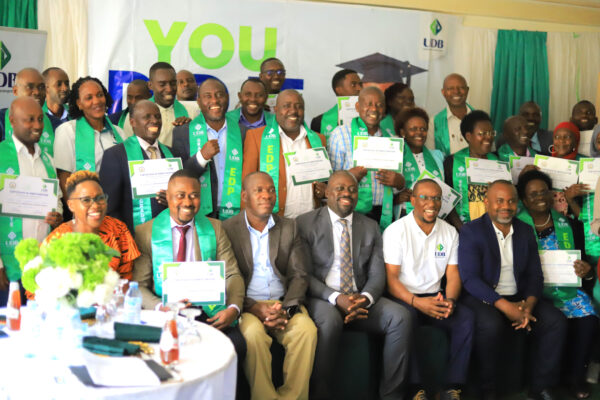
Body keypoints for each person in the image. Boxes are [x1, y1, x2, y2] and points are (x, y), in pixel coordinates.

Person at [297, 170, 411, 400]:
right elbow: (303, 274)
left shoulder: (370, 226)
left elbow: (377, 273)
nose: (347, 193)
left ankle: (392, 395)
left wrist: (365, 298)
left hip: (360, 299)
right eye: (339, 188)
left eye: (352, 189)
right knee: (330, 320)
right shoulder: (305, 223)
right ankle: (320, 394)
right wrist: (336, 298)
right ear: (327, 192)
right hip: (323, 298)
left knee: (400, 317)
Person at [458, 180, 567, 400]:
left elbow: (535, 275)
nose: (506, 206)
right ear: (487, 202)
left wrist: (529, 306)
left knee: (555, 321)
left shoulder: (525, 231)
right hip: (484, 297)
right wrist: (505, 306)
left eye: (511, 201)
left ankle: (540, 387)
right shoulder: (472, 231)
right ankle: (488, 390)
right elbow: (470, 279)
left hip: (520, 298)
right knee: (491, 325)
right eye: (499, 201)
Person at [132, 168, 246, 358]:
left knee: (236, 346)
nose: (187, 202)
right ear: (167, 197)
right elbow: (139, 285)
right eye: (180, 195)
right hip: (167, 313)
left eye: (194, 196)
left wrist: (233, 308)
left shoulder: (215, 228)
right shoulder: (146, 232)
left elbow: (232, 274)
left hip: (209, 311)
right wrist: (160, 307)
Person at [222, 171, 317, 400]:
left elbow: (299, 274)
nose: (267, 195)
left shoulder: (290, 227)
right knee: (253, 335)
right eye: (259, 191)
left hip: (284, 303)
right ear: (244, 196)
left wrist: (286, 310)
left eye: (271, 190)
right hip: (247, 305)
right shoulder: (227, 229)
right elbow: (227, 278)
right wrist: (254, 307)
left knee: (307, 331)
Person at [384, 179, 474, 400]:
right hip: (405, 297)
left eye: (436, 198)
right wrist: (416, 302)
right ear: (413, 200)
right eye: (424, 197)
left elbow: (453, 274)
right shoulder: (396, 231)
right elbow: (391, 279)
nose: (431, 203)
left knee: (465, 318)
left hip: (436, 297)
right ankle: (416, 389)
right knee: (405, 318)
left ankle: (453, 387)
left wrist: (450, 300)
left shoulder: (449, 232)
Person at [516, 170, 597, 399]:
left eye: (544, 192)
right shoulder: (516, 227)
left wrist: (587, 272)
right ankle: (548, 382)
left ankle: (575, 378)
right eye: (533, 194)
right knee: (553, 320)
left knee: (588, 315)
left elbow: (585, 266)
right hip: (533, 293)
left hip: (567, 289)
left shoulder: (569, 225)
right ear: (524, 200)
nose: (540, 197)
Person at [0, 97, 63, 306]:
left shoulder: (48, 160)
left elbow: (57, 199)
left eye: (40, 119)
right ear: (12, 121)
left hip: (42, 267)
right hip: (8, 267)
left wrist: (58, 216)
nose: (37, 125)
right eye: (30, 119)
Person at [328, 86, 405, 229]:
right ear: (358, 107)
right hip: (351, 210)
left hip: (384, 211)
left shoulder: (392, 139)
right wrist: (349, 176)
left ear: (385, 109)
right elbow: (330, 180)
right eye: (368, 104)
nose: (374, 109)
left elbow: (399, 185)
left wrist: (399, 182)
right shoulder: (340, 134)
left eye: (379, 105)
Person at [243, 89, 326, 219]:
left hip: (311, 219)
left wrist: (322, 189)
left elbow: (323, 181)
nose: (293, 111)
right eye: (286, 106)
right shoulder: (256, 137)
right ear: (276, 109)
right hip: (274, 219)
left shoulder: (318, 139)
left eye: (299, 106)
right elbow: (246, 184)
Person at [172, 78, 245, 220]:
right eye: (208, 96)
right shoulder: (182, 132)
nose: (215, 100)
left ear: (227, 98)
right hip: (199, 214)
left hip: (237, 213)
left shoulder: (244, 132)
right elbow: (179, 178)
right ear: (199, 101)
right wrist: (201, 157)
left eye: (219, 95)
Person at [46, 170, 139, 280]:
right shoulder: (57, 240)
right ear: (71, 205)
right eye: (86, 200)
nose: (95, 205)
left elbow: (127, 279)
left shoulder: (118, 229)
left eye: (100, 198)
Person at [100, 100, 171, 234]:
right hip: (133, 237)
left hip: (171, 236)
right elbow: (110, 208)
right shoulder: (115, 155)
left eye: (157, 116)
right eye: (147, 117)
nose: (154, 121)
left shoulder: (173, 154)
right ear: (132, 122)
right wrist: (125, 239)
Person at [53, 76, 125, 201]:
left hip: (117, 204)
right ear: (79, 104)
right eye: (89, 98)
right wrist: (75, 207)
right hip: (85, 205)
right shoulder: (68, 131)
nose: (96, 101)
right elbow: (63, 177)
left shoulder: (119, 133)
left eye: (100, 95)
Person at [443, 110, 498, 229]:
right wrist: (461, 228)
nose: (489, 137)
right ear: (468, 136)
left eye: (491, 133)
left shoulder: (498, 161)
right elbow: (448, 201)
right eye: (482, 133)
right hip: (462, 227)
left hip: (494, 227)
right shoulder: (452, 162)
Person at [0, 68, 62, 154]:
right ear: (15, 91)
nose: (37, 92)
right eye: (30, 87)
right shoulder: (1, 120)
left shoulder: (57, 125)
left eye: (41, 87)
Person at [395, 107, 444, 216]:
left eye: (423, 129)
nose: (419, 133)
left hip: (433, 213)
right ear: (403, 132)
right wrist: (396, 198)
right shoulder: (396, 156)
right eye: (413, 129)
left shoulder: (438, 156)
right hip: (405, 214)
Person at [147, 62, 193, 146]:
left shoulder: (192, 112)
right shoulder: (138, 114)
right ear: (150, 85)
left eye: (173, 83)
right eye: (162, 84)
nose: (169, 89)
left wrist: (190, 127)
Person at [426, 74, 472, 157]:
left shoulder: (481, 119)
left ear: (467, 90)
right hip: (447, 165)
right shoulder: (434, 122)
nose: (456, 92)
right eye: (450, 88)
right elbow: (431, 156)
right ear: (443, 92)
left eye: (461, 87)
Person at [549, 121, 588, 218]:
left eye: (567, 137)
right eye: (557, 137)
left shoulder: (585, 164)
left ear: (576, 141)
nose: (561, 141)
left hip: (577, 218)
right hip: (550, 217)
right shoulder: (545, 162)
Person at [310, 69, 363, 136]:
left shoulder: (371, 116)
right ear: (339, 90)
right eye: (353, 85)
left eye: (360, 85)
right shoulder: (319, 122)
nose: (359, 88)